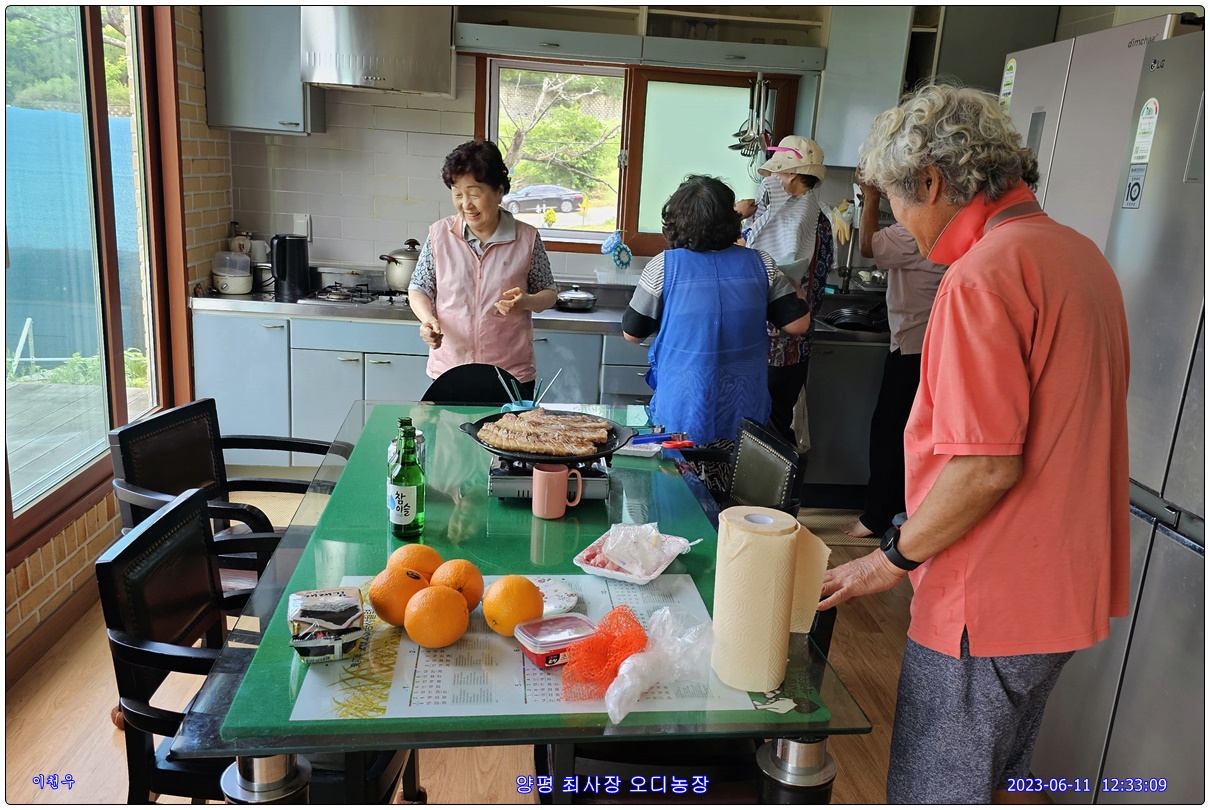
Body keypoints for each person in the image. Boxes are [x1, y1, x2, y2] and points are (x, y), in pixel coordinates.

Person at [818, 85, 1130, 803]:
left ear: (930, 181)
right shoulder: (1078, 255)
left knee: (938, 794)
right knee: (995, 787)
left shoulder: (983, 276)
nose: (900, 222)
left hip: (986, 601)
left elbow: (986, 466)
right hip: (1060, 591)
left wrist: (889, 559)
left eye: (896, 201)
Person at [622, 175, 811, 491]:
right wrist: (796, 289)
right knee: (733, 499)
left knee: (678, 499)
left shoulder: (663, 266)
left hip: (681, 414)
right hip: (742, 412)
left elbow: (632, 333)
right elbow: (797, 325)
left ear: (676, 221)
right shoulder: (761, 263)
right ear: (730, 218)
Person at [840, 176, 947, 539]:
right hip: (929, 345)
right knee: (911, 433)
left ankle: (877, 517)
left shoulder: (916, 232)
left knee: (890, 433)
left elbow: (867, 245)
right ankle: (903, 512)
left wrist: (870, 196)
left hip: (914, 347)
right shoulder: (944, 226)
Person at [408, 140, 558, 397]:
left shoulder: (527, 238)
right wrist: (428, 320)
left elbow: (549, 293)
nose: (465, 204)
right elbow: (419, 287)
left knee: (508, 426)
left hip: (510, 374)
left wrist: (527, 301)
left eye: (474, 193)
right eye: (457, 194)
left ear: (499, 192)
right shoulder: (440, 235)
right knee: (447, 426)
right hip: (450, 370)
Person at [743, 135, 833, 445]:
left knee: (761, 433)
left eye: (776, 173)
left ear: (792, 174)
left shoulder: (788, 223)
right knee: (778, 426)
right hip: (798, 349)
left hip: (769, 350)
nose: (770, 180)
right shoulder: (820, 221)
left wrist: (737, 223)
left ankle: (772, 478)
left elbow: (758, 271)